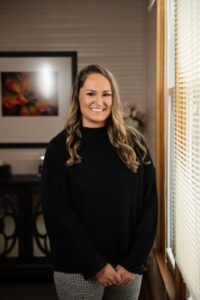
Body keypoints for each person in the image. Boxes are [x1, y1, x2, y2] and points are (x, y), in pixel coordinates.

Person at [40, 64, 158, 300]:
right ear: (78, 96)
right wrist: (95, 265)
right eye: (91, 93)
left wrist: (134, 261)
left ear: (114, 98)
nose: (99, 101)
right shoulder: (59, 148)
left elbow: (149, 205)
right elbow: (58, 216)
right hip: (77, 270)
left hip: (127, 270)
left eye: (106, 94)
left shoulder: (135, 143)